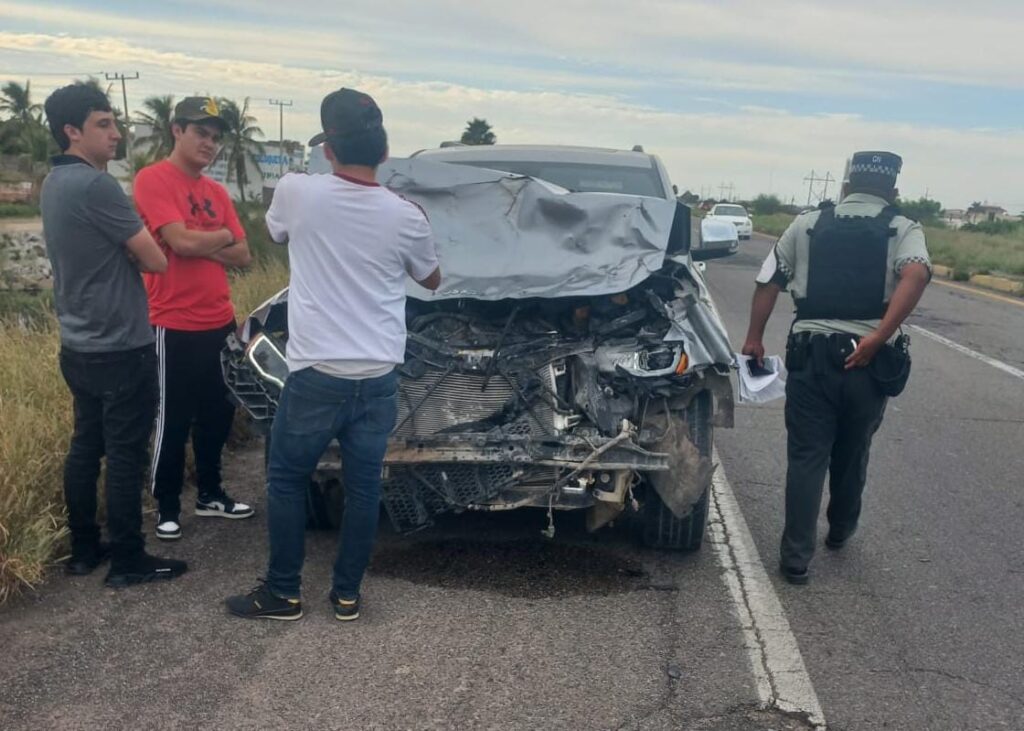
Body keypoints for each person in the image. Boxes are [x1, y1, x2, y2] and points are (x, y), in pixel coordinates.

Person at [226, 88, 441, 621]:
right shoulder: (406, 214)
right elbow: (432, 279)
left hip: (317, 374)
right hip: (378, 377)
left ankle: (284, 592)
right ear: (385, 152)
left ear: (328, 148)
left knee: (286, 478)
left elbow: (275, 232)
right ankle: (347, 595)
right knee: (365, 487)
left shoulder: (299, 193)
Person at [741, 151, 931, 585]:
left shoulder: (806, 224)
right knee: (853, 448)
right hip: (869, 360)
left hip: (812, 356)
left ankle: (795, 559)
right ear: (893, 192)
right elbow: (915, 275)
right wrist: (879, 337)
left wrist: (754, 337)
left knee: (807, 455)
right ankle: (841, 528)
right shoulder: (902, 228)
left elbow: (769, 280)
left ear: (844, 188)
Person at [40, 82, 187, 587]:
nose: (116, 134)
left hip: (77, 343)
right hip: (122, 343)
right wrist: (131, 251)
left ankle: (84, 549)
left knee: (86, 446)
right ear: (72, 131)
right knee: (126, 452)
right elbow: (156, 259)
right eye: (104, 124)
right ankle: (127, 557)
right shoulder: (97, 186)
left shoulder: (52, 184)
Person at [133, 97, 254, 542]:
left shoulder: (216, 192)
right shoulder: (153, 179)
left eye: (216, 137)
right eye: (201, 132)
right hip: (172, 322)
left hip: (219, 320)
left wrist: (206, 239)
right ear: (176, 130)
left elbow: (243, 254)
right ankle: (166, 504)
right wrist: (219, 235)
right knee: (173, 417)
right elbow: (179, 243)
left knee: (218, 414)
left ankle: (211, 493)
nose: (210, 143)